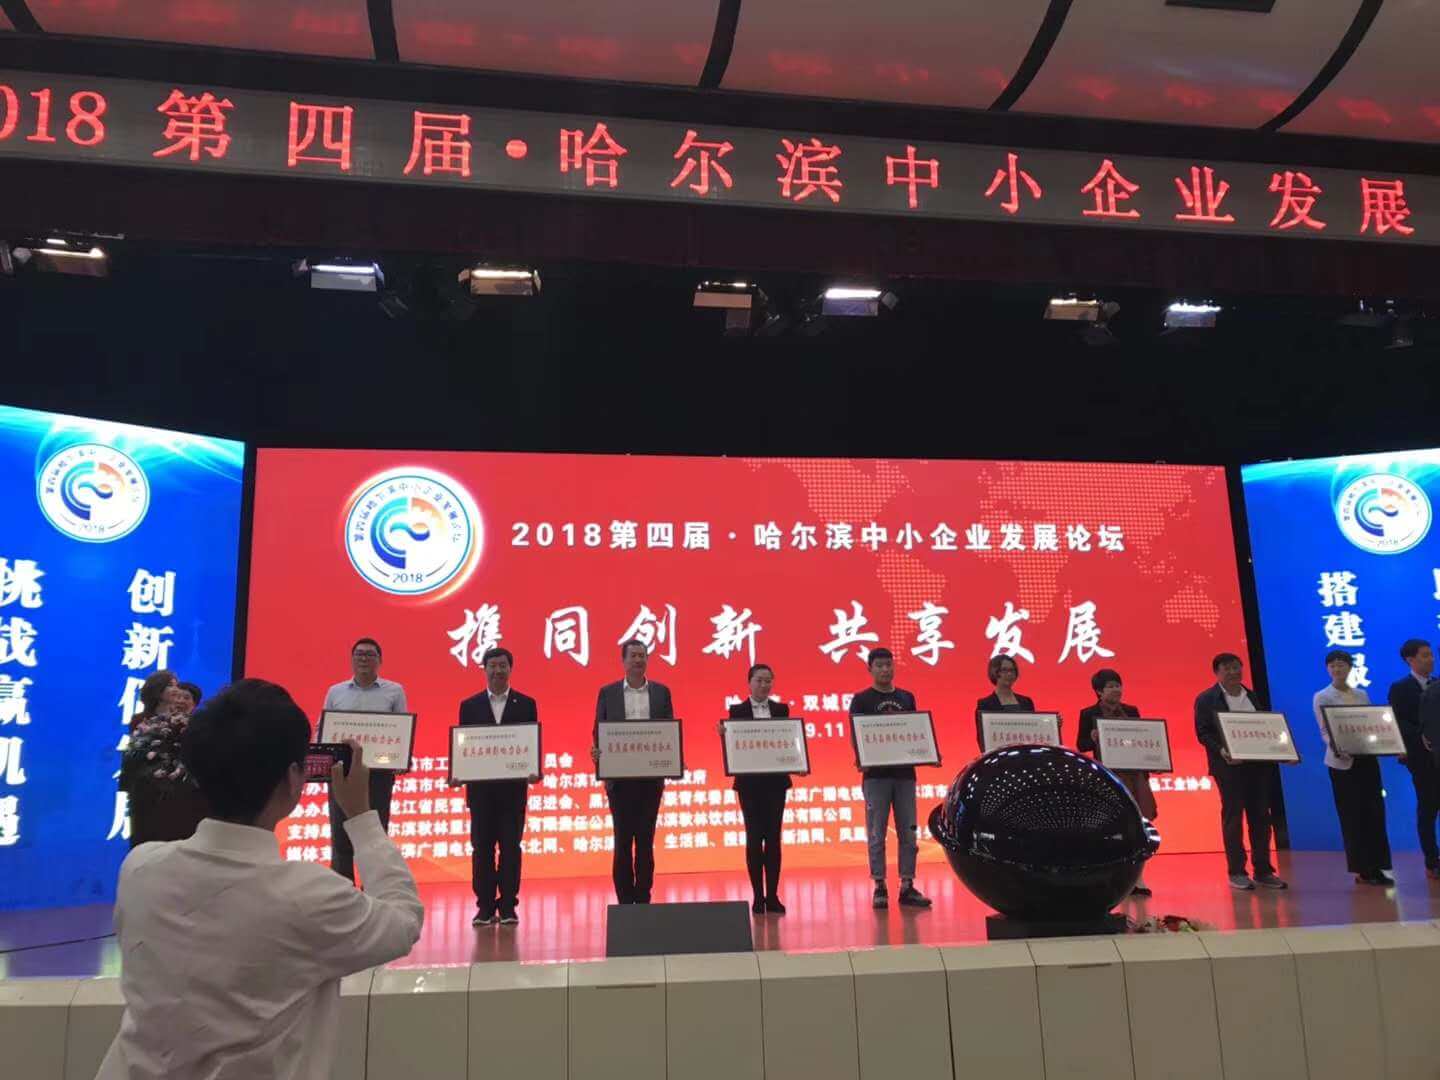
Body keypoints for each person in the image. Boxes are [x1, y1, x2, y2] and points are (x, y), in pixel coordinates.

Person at [97, 679, 423, 1080]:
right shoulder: (309, 895)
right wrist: (361, 816)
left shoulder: (139, 869)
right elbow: (403, 920)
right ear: (293, 778)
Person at [457, 647, 538, 927]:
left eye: (503, 665)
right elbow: (465, 746)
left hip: (513, 791)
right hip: (481, 792)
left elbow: (529, 743)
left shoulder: (526, 703)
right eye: (492, 665)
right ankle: (484, 907)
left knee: (511, 848)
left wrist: (532, 769)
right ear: (485, 669)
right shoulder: (470, 705)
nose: (497, 670)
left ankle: (508, 907)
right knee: (481, 849)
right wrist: (459, 772)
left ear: (510, 669)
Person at [1194, 652, 1287, 891]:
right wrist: (1222, 750)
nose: (1233, 672)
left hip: (1258, 766)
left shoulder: (1252, 696)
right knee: (1233, 817)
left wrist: (1281, 750)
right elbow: (1203, 733)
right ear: (1217, 673)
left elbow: (1266, 729)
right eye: (1227, 668)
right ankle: (1236, 871)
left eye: (1237, 667)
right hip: (1228, 767)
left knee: (1261, 817)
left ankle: (1263, 870)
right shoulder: (1206, 699)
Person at [592, 639, 674, 904]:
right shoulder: (608, 692)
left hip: (650, 780)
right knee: (623, 840)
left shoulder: (661, 692)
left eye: (642, 655)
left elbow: (668, 732)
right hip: (620, 781)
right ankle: (625, 900)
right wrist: (598, 755)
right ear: (623, 661)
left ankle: (643, 896)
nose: (638, 660)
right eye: (633, 656)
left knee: (646, 840)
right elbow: (599, 731)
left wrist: (673, 758)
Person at [322, 637, 409, 884]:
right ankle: (343, 891)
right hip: (342, 772)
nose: (364, 658)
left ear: (379, 661)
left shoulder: (394, 691)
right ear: (352, 659)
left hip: (378, 773)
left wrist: (401, 757)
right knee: (341, 834)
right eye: (359, 654)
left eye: (370, 654)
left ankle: (375, 890)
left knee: (376, 834)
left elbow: (401, 730)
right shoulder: (336, 692)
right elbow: (323, 727)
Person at [850, 648, 931, 910]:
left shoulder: (906, 697)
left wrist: (927, 752)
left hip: (905, 775)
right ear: (870, 668)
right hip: (876, 776)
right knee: (877, 833)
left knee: (909, 831)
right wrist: (861, 757)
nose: (885, 669)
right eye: (880, 665)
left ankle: (907, 885)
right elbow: (857, 735)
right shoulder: (861, 700)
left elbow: (916, 733)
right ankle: (880, 885)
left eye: (888, 665)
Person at [1076, 667, 1157, 896]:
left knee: (1138, 825)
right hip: (1109, 777)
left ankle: (1138, 878)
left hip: (1135, 774)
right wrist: (1092, 738)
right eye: (1110, 686)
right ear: (1099, 691)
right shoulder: (1089, 713)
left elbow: (1143, 739)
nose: (1116, 690)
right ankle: (1114, 877)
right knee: (1114, 827)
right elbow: (1081, 745)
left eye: (1118, 685)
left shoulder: (1131, 711)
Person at [1313, 650, 1392, 886]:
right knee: (1352, 815)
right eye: (1333, 665)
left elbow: (1369, 724)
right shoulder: (1322, 696)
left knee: (1374, 812)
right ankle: (1362, 869)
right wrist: (1338, 746)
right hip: (1342, 763)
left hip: (1366, 758)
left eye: (1342, 665)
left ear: (1350, 668)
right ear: (1328, 669)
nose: (1337, 669)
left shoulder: (1361, 694)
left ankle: (1377, 866)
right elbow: (1325, 730)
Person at [724, 663, 790, 915]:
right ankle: (757, 897)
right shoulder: (737, 711)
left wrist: (797, 762)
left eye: (768, 680)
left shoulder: (781, 710)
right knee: (753, 838)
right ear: (749, 683)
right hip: (749, 785)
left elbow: (788, 742)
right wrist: (724, 735)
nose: (764, 685)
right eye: (759, 680)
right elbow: (734, 745)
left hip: (775, 783)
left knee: (773, 839)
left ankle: (772, 896)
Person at [1388, 639, 1439, 879]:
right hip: (1421, 758)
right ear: (1410, 660)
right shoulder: (1400, 688)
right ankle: (1432, 860)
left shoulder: (1437, 684)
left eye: (1431, 654)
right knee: (1428, 808)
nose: (1431, 659)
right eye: (1425, 655)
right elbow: (1398, 721)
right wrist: (1423, 735)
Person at [974, 655, 1042, 752]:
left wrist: (1051, 723)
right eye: (1004, 670)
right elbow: (982, 739)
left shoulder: (1026, 702)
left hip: (1025, 754)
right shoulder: (985, 704)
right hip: (999, 756)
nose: (1009, 674)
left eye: (1012, 670)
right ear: (995, 672)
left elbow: (1035, 729)